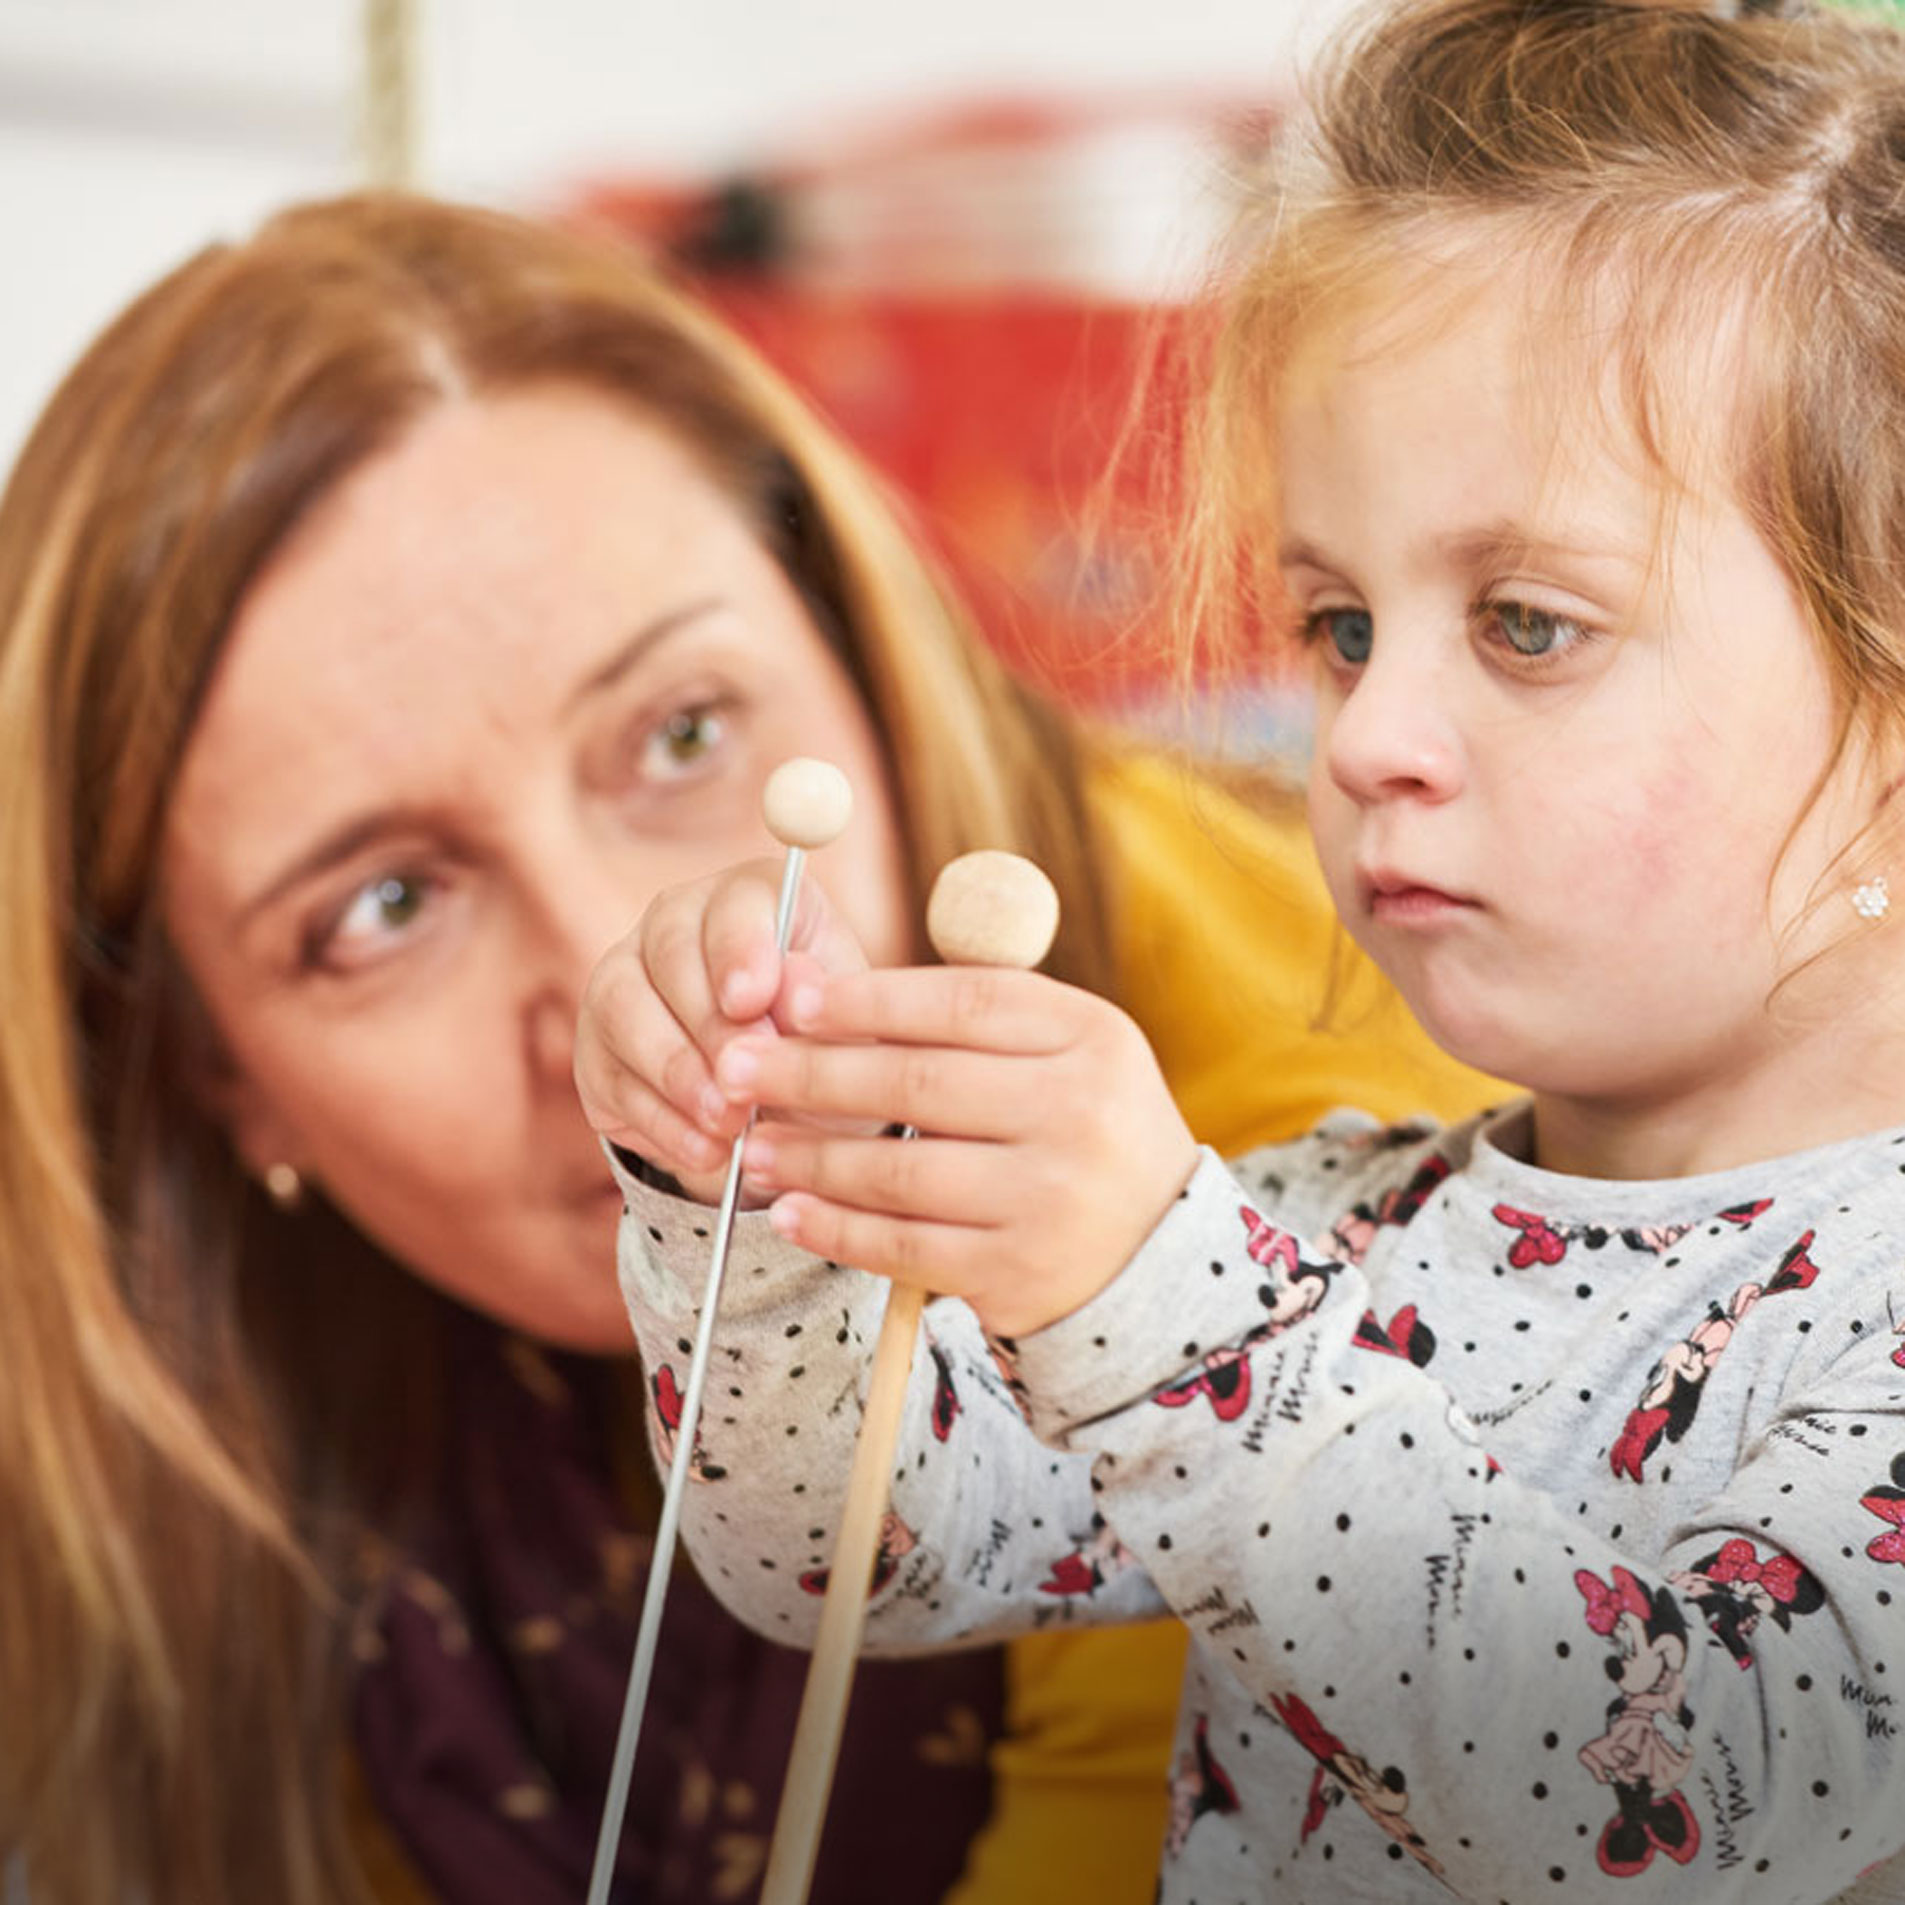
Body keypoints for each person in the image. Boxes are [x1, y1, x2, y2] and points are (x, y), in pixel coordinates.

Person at [0, 190, 1493, 1903]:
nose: (621, 981)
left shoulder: (1362, 1194)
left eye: (684, 733)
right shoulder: (225, 1446)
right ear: (212, 1073)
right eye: (384, 906)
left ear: (865, 657)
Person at [580, 1, 1905, 1899]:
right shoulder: (1333, 1241)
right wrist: (750, 1220)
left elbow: (1650, 1802)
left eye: (1528, 623)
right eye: (1343, 625)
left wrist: (1154, 1290)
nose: (1359, 738)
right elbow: (851, 1550)